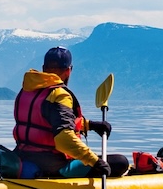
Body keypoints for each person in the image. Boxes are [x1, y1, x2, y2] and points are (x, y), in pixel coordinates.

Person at [13, 46, 130, 179]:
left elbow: (44, 121)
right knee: (120, 162)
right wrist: (95, 162)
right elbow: (64, 139)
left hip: (22, 156)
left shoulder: (26, 90)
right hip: (54, 166)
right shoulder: (59, 95)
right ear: (69, 70)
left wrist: (90, 125)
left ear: (44, 68)